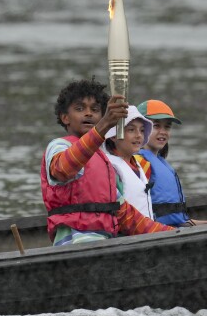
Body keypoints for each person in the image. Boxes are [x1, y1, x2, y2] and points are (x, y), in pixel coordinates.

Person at [41, 79, 175, 246]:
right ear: (65, 117)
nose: (88, 113)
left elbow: (126, 215)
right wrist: (104, 125)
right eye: (80, 108)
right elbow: (62, 169)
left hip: (105, 244)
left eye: (95, 110)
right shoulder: (59, 146)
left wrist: (173, 233)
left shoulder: (104, 162)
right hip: (73, 246)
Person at [136, 100, 207, 227]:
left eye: (167, 126)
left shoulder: (160, 162)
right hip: (154, 232)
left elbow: (175, 218)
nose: (163, 131)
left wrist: (197, 223)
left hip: (172, 228)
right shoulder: (140, 163)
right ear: (140, 129)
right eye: (156, 126)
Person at [103, 106, 155, 220]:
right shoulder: (110, 167)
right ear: (113, 136)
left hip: (147, 231)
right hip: (129, 235)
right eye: (131, 130)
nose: (139, 135)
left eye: (142, 130)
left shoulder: (138, 164)